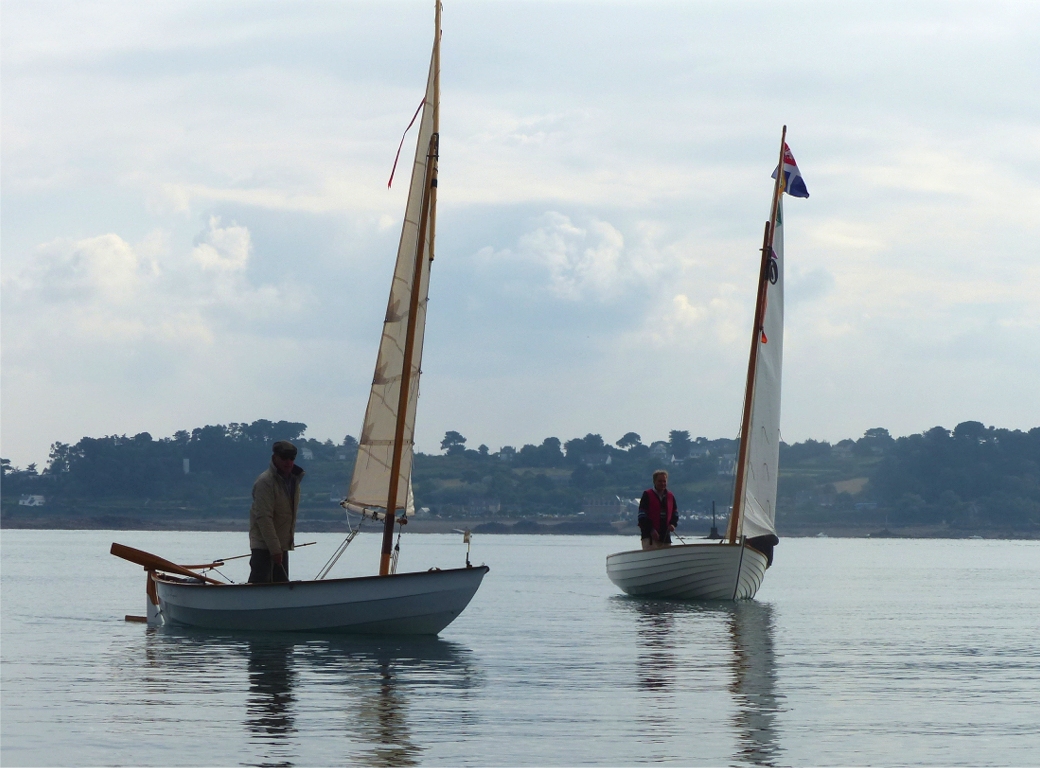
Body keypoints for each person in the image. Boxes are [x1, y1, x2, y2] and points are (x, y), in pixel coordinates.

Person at [248, 440, 305, 583]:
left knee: (281, 588)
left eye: (291, 458)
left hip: (282, 545)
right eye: (284, 458)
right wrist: (275, 549)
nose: (288, 462)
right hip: (263, 546)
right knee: (259, 587)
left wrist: (280, 548)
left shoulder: (294, 481)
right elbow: (264, 517)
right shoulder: (265, 482)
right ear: (275, 458)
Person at [638, 469, 678, 550]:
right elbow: (642, 516)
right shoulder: (647, 495)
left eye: (664, 481)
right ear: (654, 481)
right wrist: (651, 530)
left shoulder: (670, 496)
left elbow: (675, 514)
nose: (662, 483)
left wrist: (673, 524)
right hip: (649, 538)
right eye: (660, 481)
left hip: (665, 537)